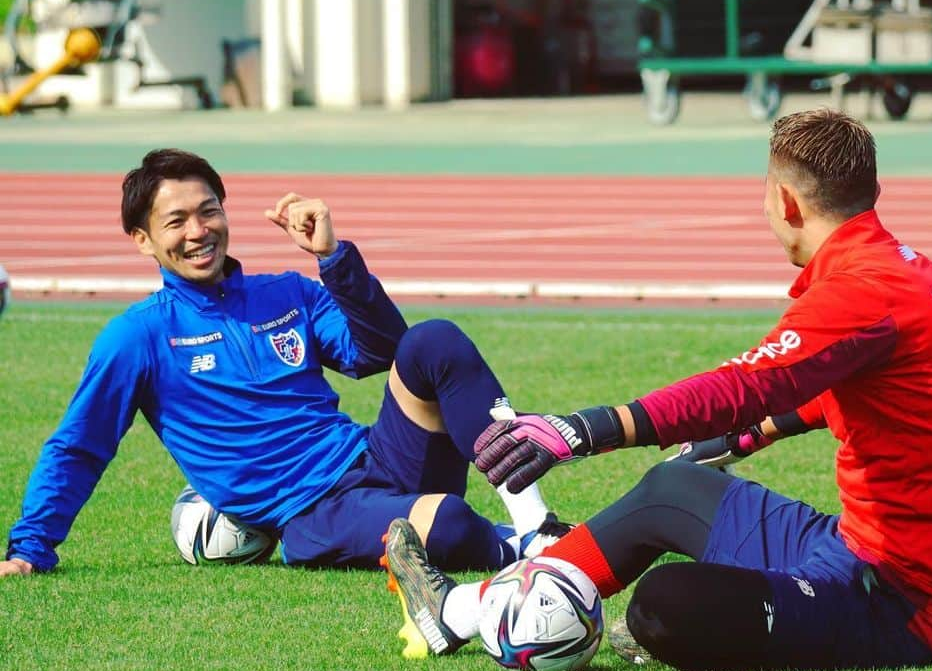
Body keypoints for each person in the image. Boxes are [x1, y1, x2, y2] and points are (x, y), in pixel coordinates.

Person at [379, 109, 932, 671]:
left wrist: (585, 429)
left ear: (785, 201)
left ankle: (513, 599)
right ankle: (460, 609)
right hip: (862, 551)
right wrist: (747, 436)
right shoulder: (903, 269)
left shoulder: (864, 290)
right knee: (672, 489)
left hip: (902, 604)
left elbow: (747, 385)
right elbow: (848, 394)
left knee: (664, 606)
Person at [2, 148, 567, 588]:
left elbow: (380, 353)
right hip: (312, 513)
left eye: (208, 211)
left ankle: (536, 525)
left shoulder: (287, 293)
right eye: (176, 222)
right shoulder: (137, 336)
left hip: (375, 457)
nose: (198, 231)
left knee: (432, 340)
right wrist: (30, 549)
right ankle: (523, 549)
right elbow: (80, 446)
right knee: (449, 524)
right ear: (142, 240)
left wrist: (333, 260)